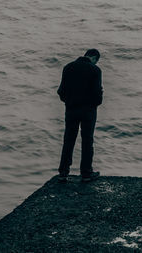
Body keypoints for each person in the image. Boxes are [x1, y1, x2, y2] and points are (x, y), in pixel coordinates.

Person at [56, 48, 103, 182]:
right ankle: (86, 173)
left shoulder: (68, 67)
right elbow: (97, 95)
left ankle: (63, 172)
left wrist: (69, 102)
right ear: (94, 58)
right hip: (88, 111)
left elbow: (61, 91)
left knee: (69, 140)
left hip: (71, 109)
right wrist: (94, 103)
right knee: (87, 140)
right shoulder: (95, 70)